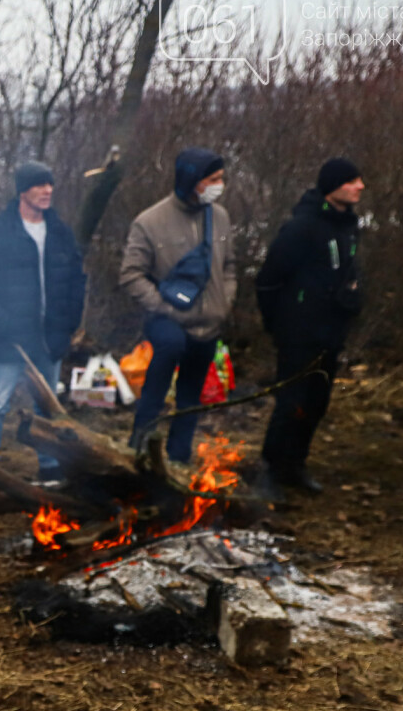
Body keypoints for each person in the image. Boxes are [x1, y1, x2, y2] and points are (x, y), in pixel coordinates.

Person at [0, 161, 87, 483]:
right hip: (10, 337)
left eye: (50, 184)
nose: (47, 191)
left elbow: (76, 278)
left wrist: (70, 322)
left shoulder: (60, 231)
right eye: (39, 185)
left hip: (50, 337)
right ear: (22, 191)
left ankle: (50, 467)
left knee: (48, 405)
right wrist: (0, 321)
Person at [254, 158, 366, 500]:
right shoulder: (301, 228)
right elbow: (269, 280)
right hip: (298, 333)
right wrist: (278, 325)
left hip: (331, 333)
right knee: (290, 403)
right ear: (333, 187)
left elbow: (345, 271)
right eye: (352, 181)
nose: (361, 186)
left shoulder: (348, 226)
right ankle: (272, 470)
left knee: (317, 402)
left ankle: (295, 465)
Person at [119, 147, 237, 462]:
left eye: (221, 178)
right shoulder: (150, 221)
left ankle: (178, 459)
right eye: (212, 179)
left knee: (191, 400)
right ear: (192, 180)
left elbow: (230, 266)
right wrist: (162, 307)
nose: (219, 185)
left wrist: (225, 301)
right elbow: (131, 275)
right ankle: (139, 452)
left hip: (209, 324)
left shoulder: (220, 216)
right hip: (167, 322)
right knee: (155, 395)